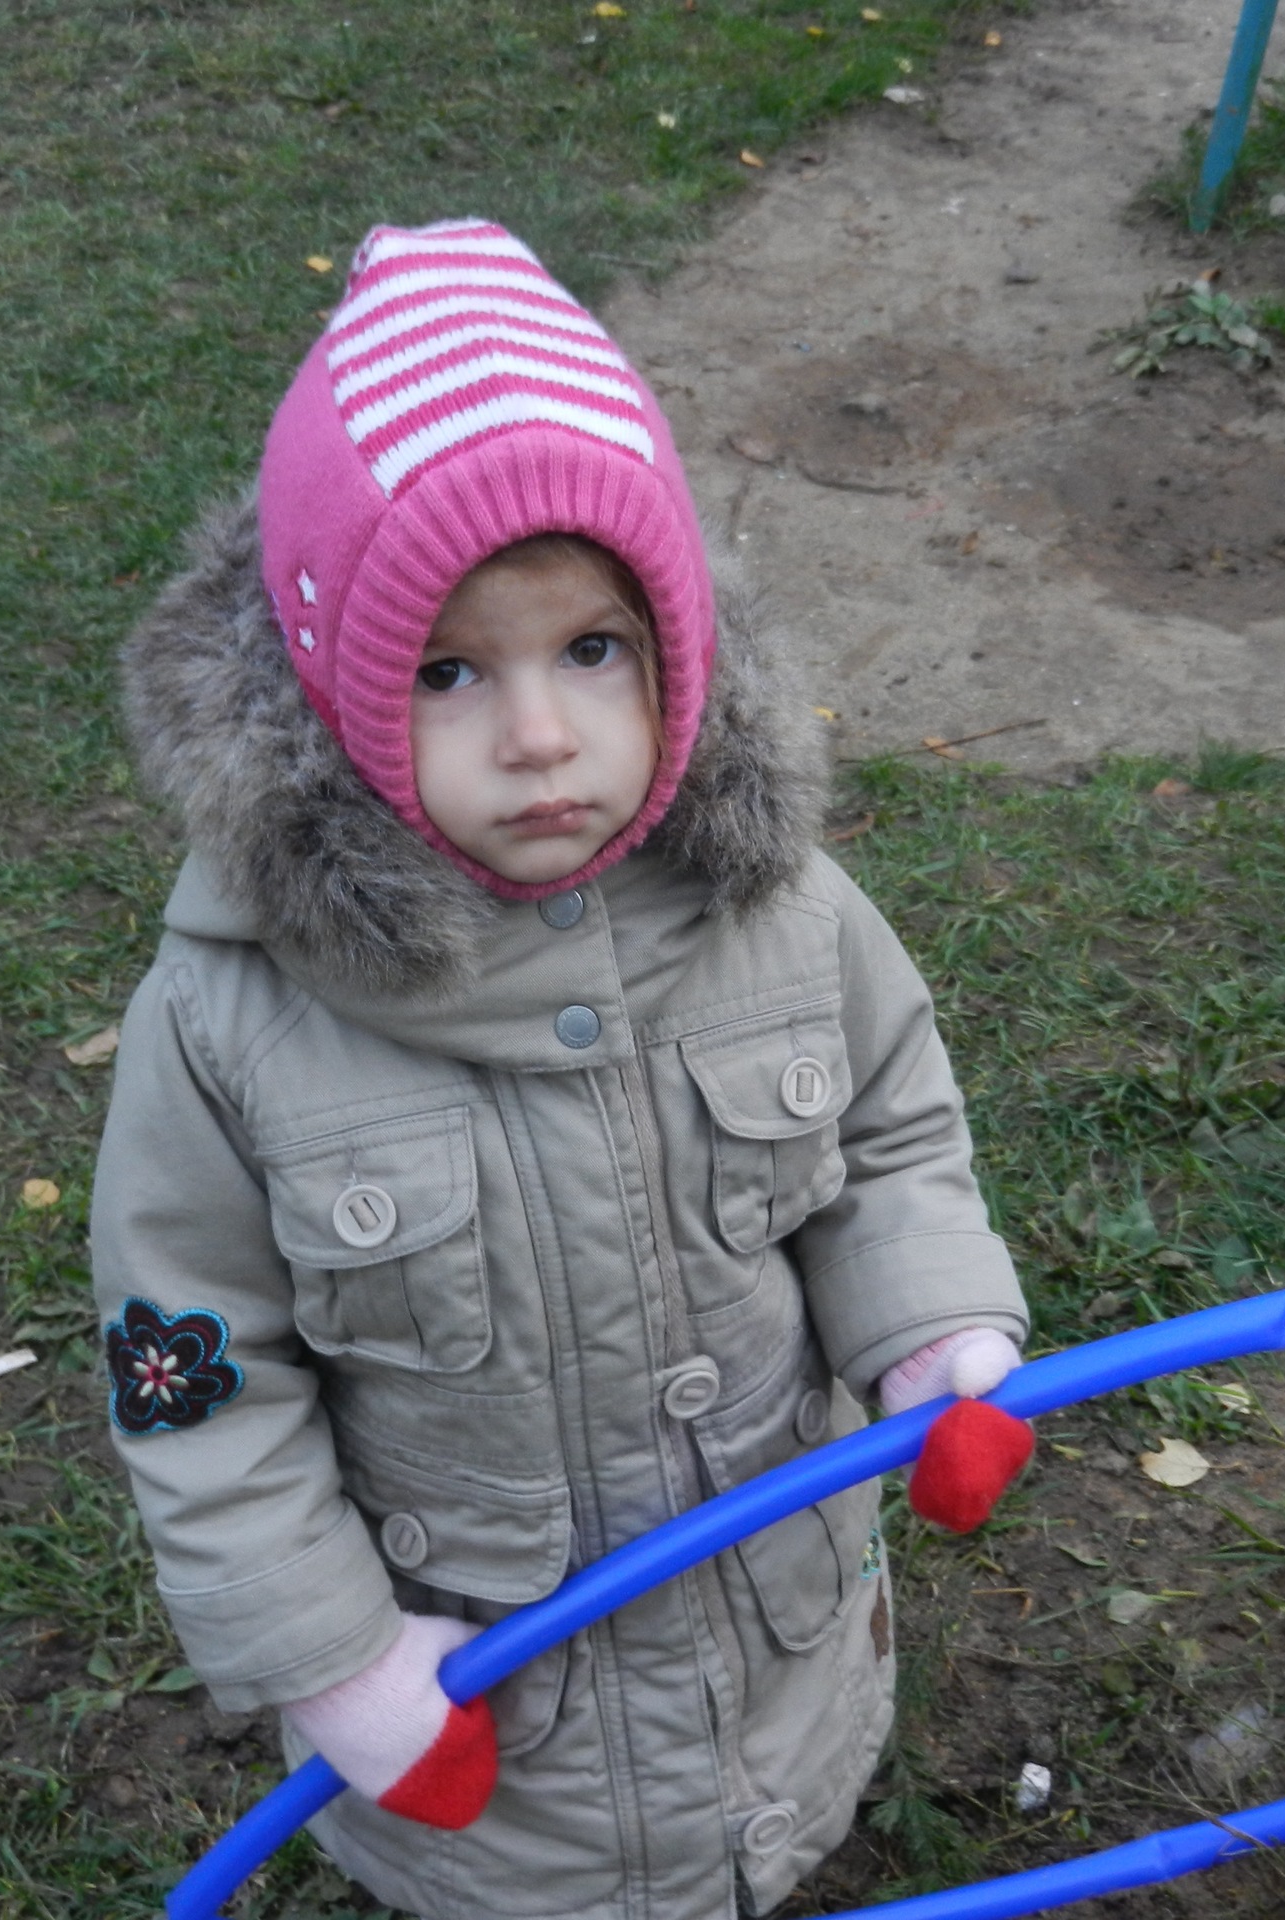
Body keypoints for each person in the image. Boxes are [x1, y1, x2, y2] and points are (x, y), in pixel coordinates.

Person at [93, 218, 1034, 1920]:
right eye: (449, 670)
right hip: (499, 1743)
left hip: (778, 1645)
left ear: (675, 643)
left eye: (591, 649)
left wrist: (931, 1335)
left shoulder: (782, 912)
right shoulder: (232, 1020)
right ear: (330, 685)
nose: (539, 738)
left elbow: (894, 1131)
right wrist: (341, 1668)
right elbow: (195, 1369)